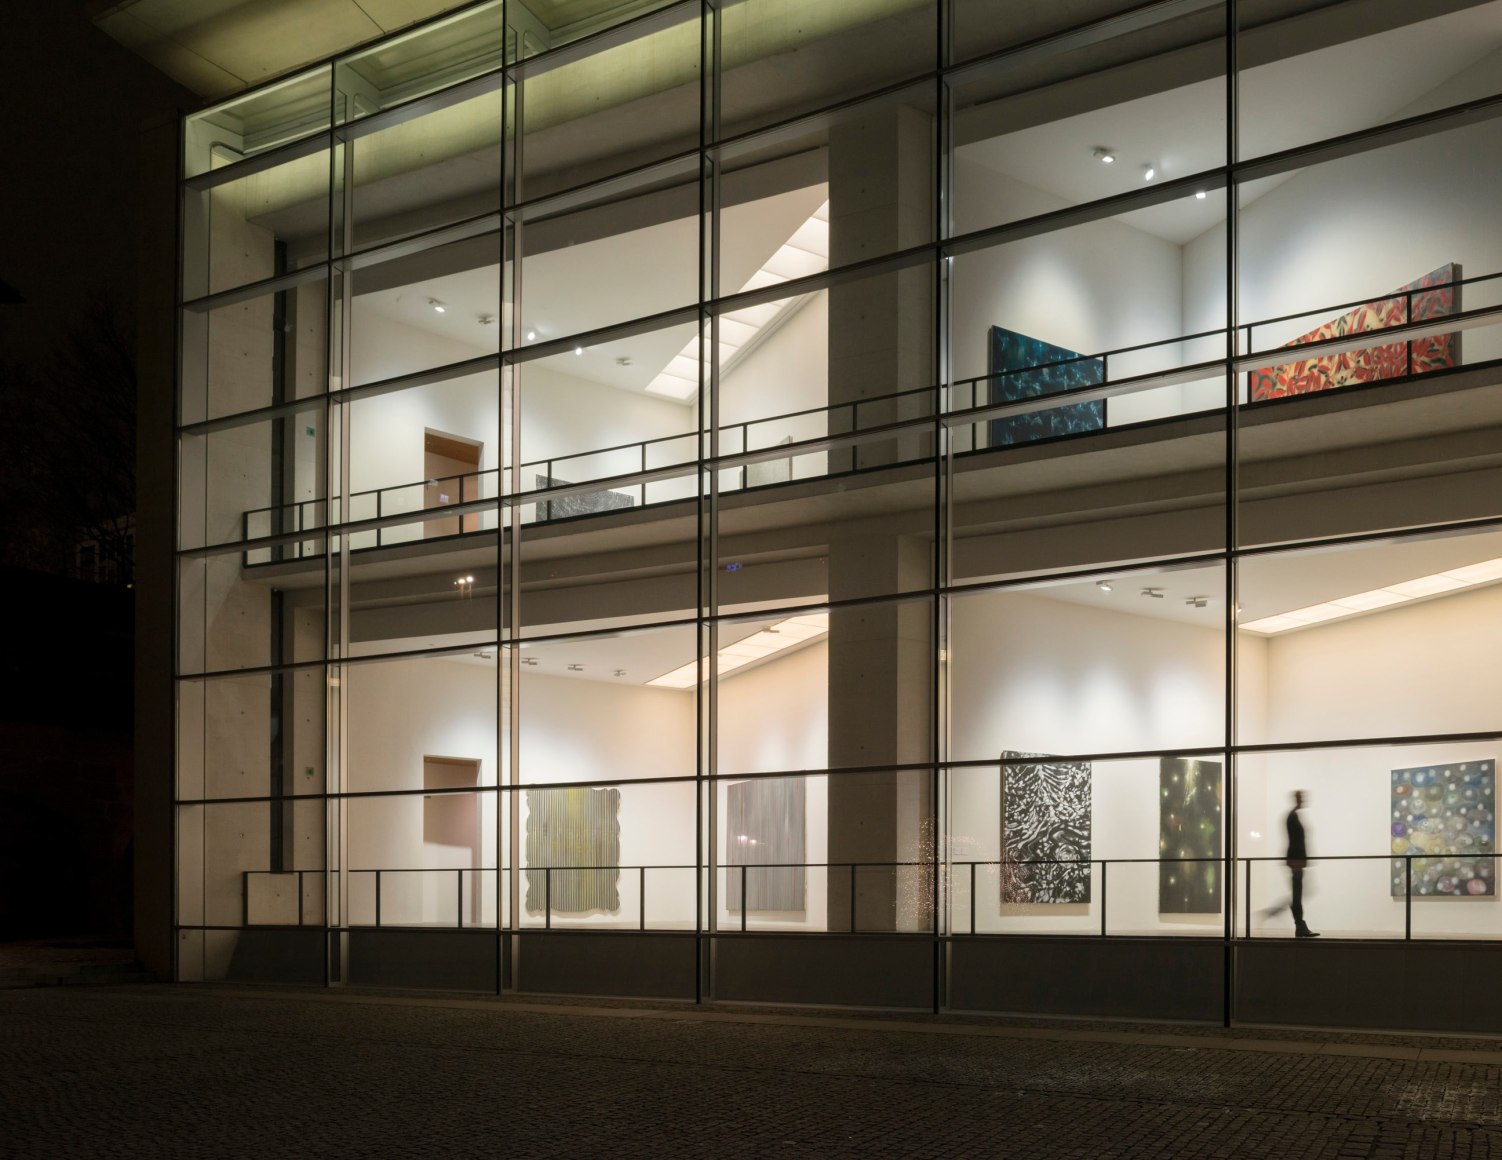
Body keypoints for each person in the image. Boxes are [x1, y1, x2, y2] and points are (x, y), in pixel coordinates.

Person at [1263, 790, 1319, 938]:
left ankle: (1298, 924)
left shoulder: (1293, 816)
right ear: (1297, 799)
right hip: (1296, 862)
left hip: (1297, 861)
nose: (1304, 800)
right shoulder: (1292, 817)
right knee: (1297, 895)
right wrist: (1297, 863)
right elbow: (1295, 842)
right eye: (1302, 798)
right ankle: (1299, 925)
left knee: (1298, 894)